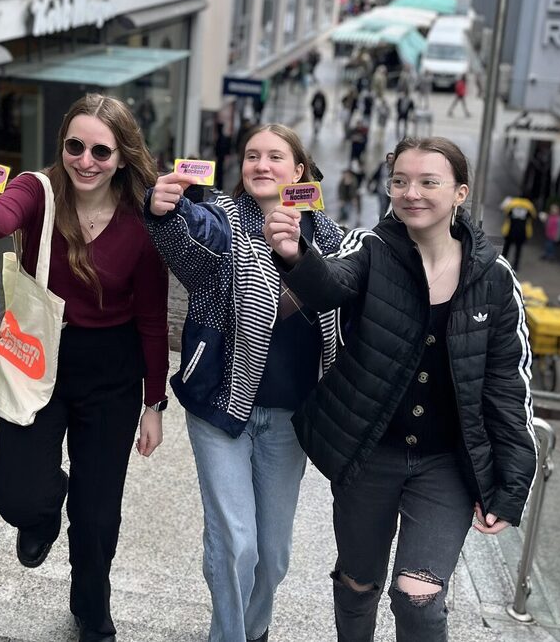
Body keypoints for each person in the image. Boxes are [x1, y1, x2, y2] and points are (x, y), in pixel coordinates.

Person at [264, 136, 536, 642]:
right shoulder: (371, 249)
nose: (411, 193)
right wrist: (295, 254)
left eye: (428, 182)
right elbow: (331, 284)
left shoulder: (495, 280)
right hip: (369, 452)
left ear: (460, 192)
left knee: (419, 598)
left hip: (445, 465)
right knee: (356, 584)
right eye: (400, 181)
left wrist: (511, 483)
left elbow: (508, 387)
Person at [0, 93, 168, 642]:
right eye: (76, 145)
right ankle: (44, 515)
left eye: (102, 150)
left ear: (122, 156)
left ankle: (91, 608)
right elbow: (2, 216)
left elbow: (151, 318)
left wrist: (153, 402)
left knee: (98, 517)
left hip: (113, 373)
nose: (86, 161)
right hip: (38, 357)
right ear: (62, 146)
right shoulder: (39, 189)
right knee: (15, 496)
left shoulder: (142, 223)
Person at [146, 124, 344, 642]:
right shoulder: (223, 221)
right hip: (220, 406)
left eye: (275, 157)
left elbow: (354, 283)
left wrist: (299, 252)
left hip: (290, 419)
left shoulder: (326, 236)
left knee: (273, 557)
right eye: (252, 156)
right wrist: (163, 208)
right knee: (237, 543)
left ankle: (252, 631)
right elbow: (190, 240)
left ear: (298, 171)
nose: (261, 164)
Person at [500, 195, 537, 271]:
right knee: (518, 249)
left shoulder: (512, 204)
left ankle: (502, 263)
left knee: (506, 248)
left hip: (510, 229)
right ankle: (516, 265)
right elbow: (533, 216)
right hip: (522, 231)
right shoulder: (529, 206)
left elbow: (506, 212)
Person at [368, 151, 395, 219]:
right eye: (389, 158)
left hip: (391, 191)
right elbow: (376, 175)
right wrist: (370, 182)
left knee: (387, 206)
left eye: (392, 158)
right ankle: (381, 220)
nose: (390, 159)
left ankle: (385, 219)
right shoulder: (382, 166)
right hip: (381, 189)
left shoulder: (396, 167)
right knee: (382, 206)